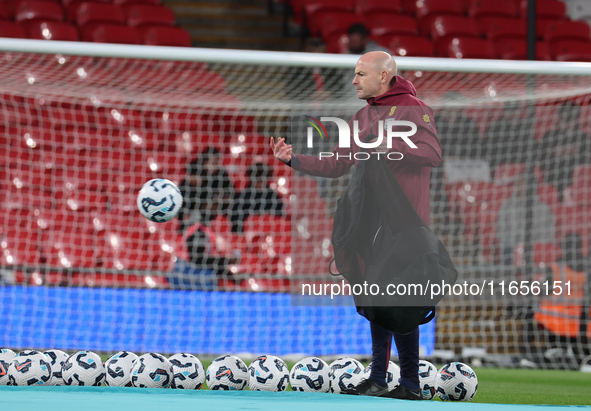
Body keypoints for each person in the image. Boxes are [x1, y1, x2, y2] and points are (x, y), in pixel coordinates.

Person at [271, 52, 441, 399]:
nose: (353, 80)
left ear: (384, 76)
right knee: (375, 298)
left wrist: (389, 144)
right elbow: (338, 164)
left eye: (361, 74)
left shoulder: (414, 108)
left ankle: (410, 382)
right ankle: (378, 378)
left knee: (403, 302)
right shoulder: (361, 116)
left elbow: (432, 153)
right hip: (369, 223)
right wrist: (295, 159)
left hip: (404, 224)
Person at [534, 102, 590, 198]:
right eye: (565, 119)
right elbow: (539, 160)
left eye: (571, 119)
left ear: (577, 119)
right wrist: (554, 154)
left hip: (576, 181)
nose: (568, 123)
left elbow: (588, 162)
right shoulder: (549, 136)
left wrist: (575, 152)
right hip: (554, 179)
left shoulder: (584, 138)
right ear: (560, 119)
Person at [496, 174, 555, 265]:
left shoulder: (543, 208)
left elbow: (548, 232)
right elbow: (501, 231)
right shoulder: (506, 206)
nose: (524, 186)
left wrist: (535, 245)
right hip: (512, 248)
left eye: (527, 183)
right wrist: (518, 246)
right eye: (521, 183)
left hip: (536, 249)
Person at [177, 147, 234, 234]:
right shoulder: (194, 171)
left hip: (213, 210)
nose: (215, 165)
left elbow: (229, 192)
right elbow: (185, 195)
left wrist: (219, 200)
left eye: (216, 162)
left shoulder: (222, 174)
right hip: (191, 209)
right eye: (212, 162)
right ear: (204, 161)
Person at [229, 162, 284, 233]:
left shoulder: (273, 196)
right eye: (257, 180)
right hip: (248, 233)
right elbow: (235, 219)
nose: (259, 183)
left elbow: (279, 217)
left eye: (262, 180)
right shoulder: (242, 196)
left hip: (270, 232)